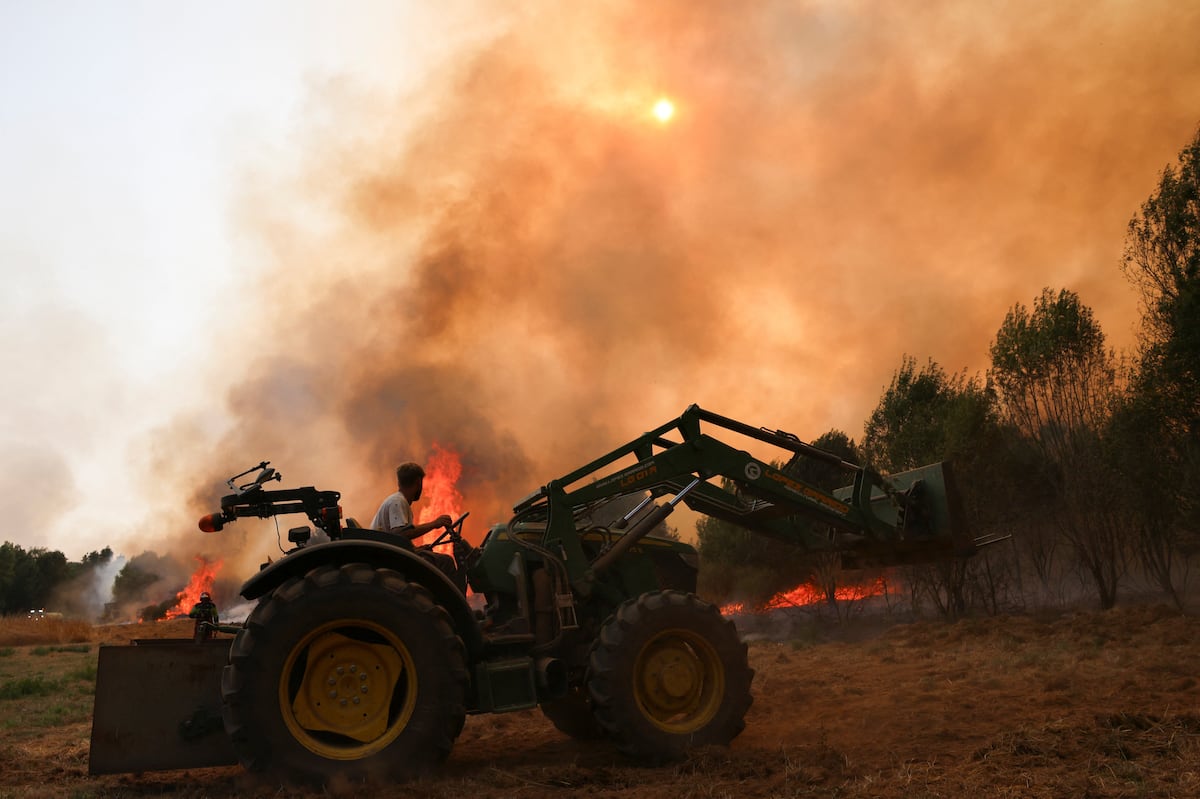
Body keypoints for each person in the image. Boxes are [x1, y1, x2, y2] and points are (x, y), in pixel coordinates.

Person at [369, 462, 452, 543]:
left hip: (385, 552)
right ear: (418, 483)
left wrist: (416, 550)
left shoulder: (399, 501)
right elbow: (401, 534)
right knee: (444, 558)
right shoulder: (397, 502)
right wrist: (434, 524)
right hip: (382, 554)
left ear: (399, 483)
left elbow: (399, 540)